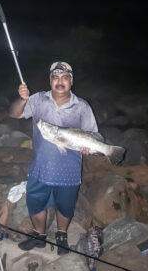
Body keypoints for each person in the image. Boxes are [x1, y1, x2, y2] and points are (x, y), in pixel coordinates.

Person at [9, 61, 98, 255]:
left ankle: (61, 235)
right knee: (35, 203)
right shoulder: (38, 100)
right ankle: (39, 236)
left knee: (65, 206)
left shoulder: (82, 107)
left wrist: (89, 148)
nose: (60, 82)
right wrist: (22, 99)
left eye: (65, 78)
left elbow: (93, 135)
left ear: (71, 81)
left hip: (70, 170)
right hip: (40, 168)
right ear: (50, 80)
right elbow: (14, 114)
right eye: (55, 78)